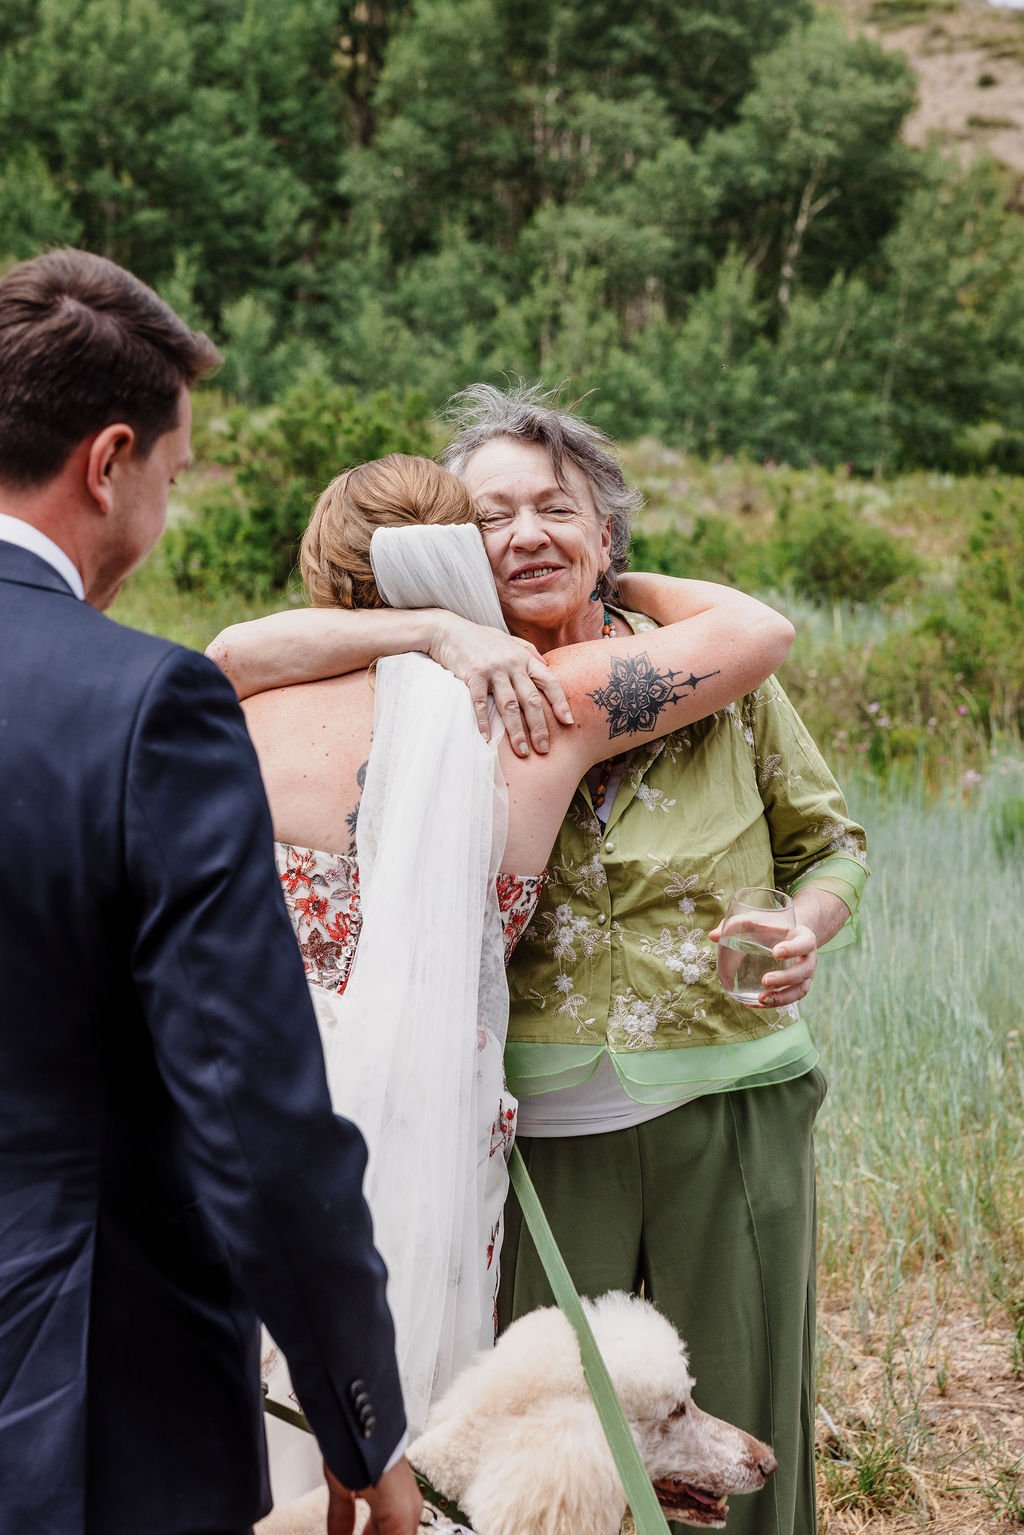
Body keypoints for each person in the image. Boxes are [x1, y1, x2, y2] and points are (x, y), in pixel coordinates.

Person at [212, 382, 869, 1535]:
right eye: (490, 523)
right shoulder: (540, 711)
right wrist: (453, 626)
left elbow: (221, 647)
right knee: (444, 1407)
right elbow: (756, 630)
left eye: (557, 512)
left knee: (289, 1410)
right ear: (458, 559)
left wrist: (420, 625)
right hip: (454, 1118)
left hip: (274, 1105)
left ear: (324, 568)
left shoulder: (240, 708)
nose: (522, 539)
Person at [0, 249, 421, 1535]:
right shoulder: (148, 706)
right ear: (109, 459)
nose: (163, 512)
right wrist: (362, 1426)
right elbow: (254, 1117)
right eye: (174, 479)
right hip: (82, 1385)